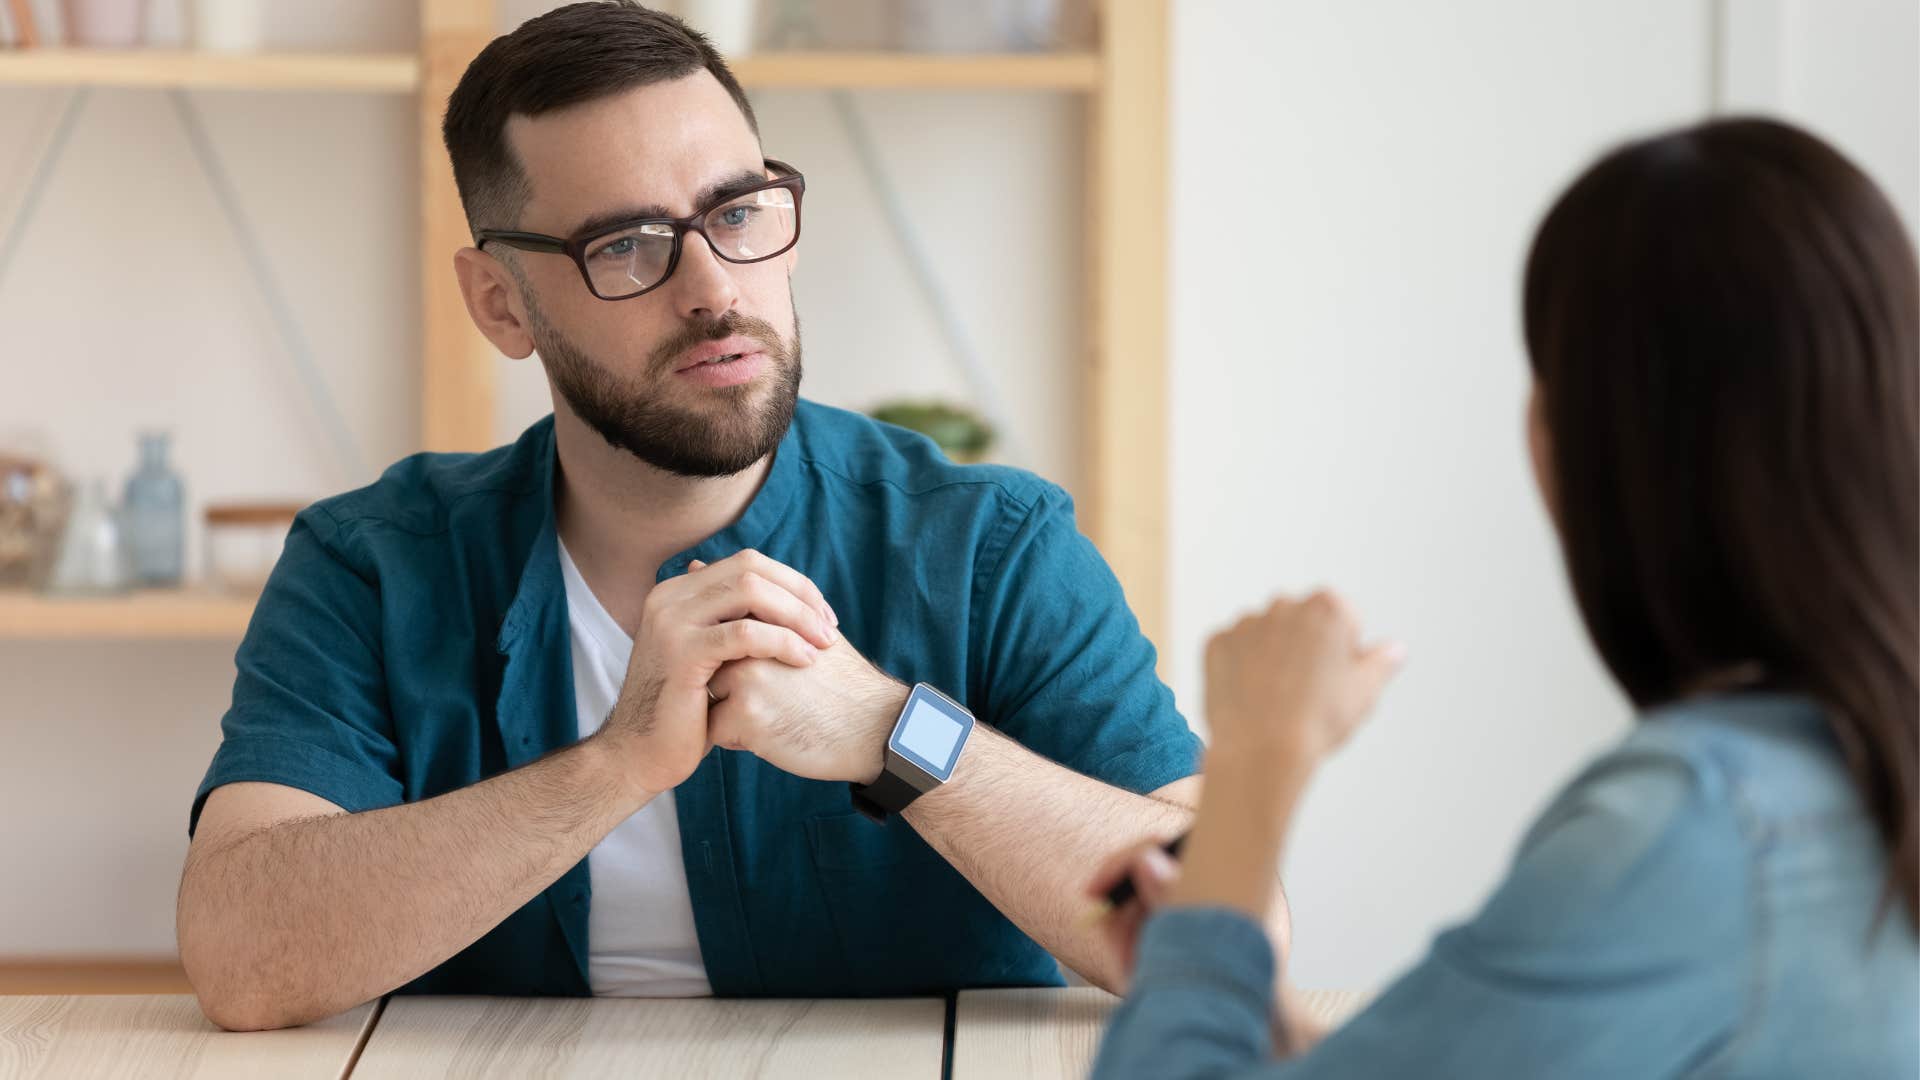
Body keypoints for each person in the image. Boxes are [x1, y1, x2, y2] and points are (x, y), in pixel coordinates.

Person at [175, 2, 1213, 1032]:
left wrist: (896, 733)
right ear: (501, 303)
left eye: (738, 211)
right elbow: (240, 958)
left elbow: (1223, 954)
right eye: (625, 246)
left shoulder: (993, 547)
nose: (715, 289)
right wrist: (616, 762)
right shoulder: (372, 565)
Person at [1089, 117, 1920, 1078]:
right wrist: (1243, 1007)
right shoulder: (1846, 782)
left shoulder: (1693, 831)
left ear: (1562, 440)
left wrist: (1252, 768)